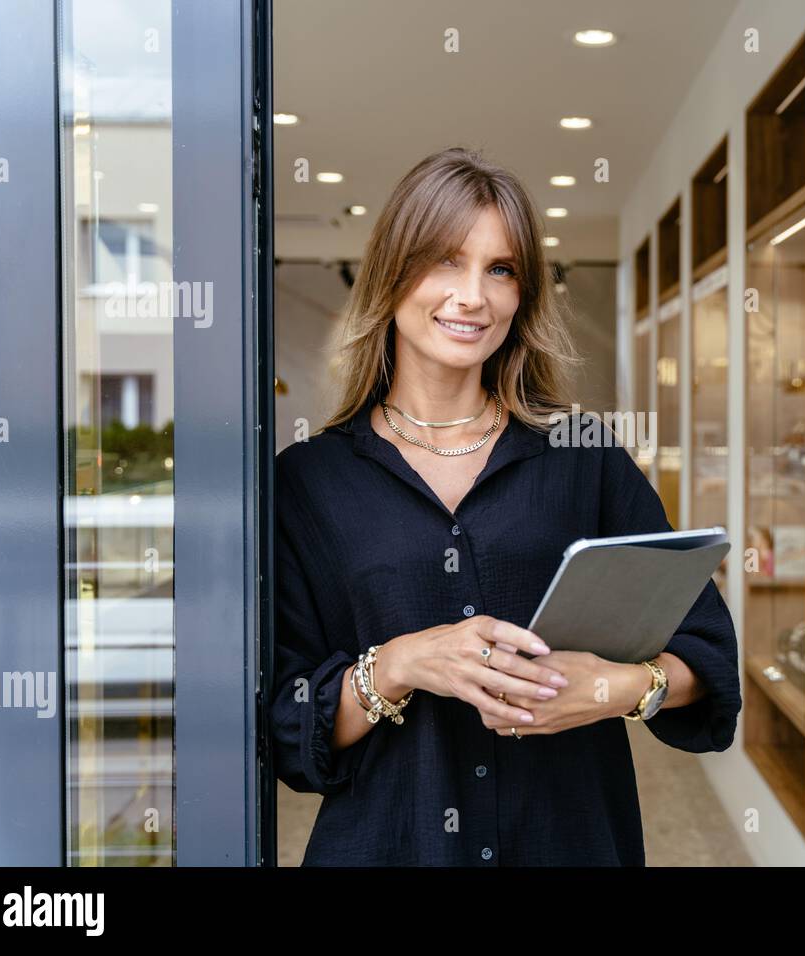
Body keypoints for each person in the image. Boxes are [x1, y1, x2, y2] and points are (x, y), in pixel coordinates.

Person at [271, 146, 741, 866]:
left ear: (524, 294)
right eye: (445, 262)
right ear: (392, 273)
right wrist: (398, 664)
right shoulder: (309, 481)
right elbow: (288, 722)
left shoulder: (584, 454)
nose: (472, 297)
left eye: (501, 269)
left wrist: (613, 688)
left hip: (571, 842)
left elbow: (707, 653)